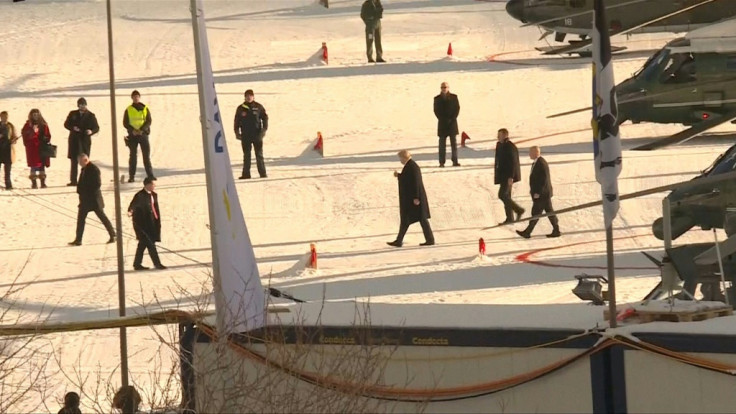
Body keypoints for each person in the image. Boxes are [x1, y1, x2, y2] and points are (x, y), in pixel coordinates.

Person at [387, 150, 434, 247]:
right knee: (412, 219)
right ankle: (399, 240)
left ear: (404, 158)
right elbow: (407, 179)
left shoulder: (412, 166)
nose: (400, 161)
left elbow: (416, 182)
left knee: (418, 219)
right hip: (412, 198)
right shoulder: (410, 166)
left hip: (414, 199)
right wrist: (399, 176)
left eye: (400, 158)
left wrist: (416, 197)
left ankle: (429, 239)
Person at [69, 154, 116, 246]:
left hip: (94, 199)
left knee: (102, 217)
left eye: (80, 162)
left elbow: (97, 184)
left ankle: (113, 234)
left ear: (85, 160)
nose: (79, 164)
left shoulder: (94, 169)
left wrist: (86, 192)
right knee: (81, 219)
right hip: (85, 200)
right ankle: (78, 239)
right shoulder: (84, 169)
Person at [516, 146, 561, 238]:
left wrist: (538, 192)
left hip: (542, 194)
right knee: (548, 212)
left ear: (536, 152)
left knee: (537, 213)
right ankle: (556, 230)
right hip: (543, 194)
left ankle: (528, 232)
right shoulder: (537, 162)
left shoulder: (541, 163)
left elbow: (544, 180)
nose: (529, 154)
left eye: (530, 152)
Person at [128, 177, 166, 270]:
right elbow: (133, 205)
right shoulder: (140, 195)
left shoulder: (154, 195)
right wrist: (131, 211)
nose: (154, 186)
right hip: (143, 225)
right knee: (150, 244)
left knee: (142, 245)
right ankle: (157, 264)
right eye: (153, 184)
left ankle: (137, 264)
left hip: (152, 223)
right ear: (147, 185)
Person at [64, 97, 100, 186]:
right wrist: (73, 128)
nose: (82, 107)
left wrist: (91, 131)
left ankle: (85, 180)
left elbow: (96, 127)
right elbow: (66, 124)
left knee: (84, 161)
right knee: (74, 161)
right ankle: (73, 181)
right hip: (74, 140)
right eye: (80, 105)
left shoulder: (91, 115)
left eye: (83, 105)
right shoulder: (72, 114)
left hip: (85, 140)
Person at [234, 89, 269, 179]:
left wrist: (263, 130)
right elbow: (236, 121)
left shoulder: (258, 107)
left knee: (259, 155)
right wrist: (237, 132)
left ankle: (263, 173)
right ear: (245, 97)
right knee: (246, 155)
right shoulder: (241, 108)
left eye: (250, 95)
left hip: (257, 135)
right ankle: (246, 174)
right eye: (247, 96)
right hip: (245, 135)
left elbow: (265, 118)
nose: (249, 97)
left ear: (253, 96)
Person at [123, 90, 154, 183]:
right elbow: (125, 123)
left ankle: (150, 175)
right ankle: (131, 176)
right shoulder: (128, 109)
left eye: (137, 96)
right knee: (133, 156)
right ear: (132, 98)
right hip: (133, 136)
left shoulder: (145, 108)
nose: (136, 98)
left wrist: (142, 130)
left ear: (139, 97)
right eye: (134, 97)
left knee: (146, 156)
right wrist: (133, 130)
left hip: (143, 135)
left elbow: (149, 121)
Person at [494, 128, 524, 224]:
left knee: (502, 195)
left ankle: (518, 210)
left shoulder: (510, 147)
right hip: (502, 175)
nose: (498, 137)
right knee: (507, 196)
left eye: (500, 135)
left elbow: (513, 163)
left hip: (508, 176)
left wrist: (511, 177)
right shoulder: (500, 145)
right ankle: (510, 218)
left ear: (505, 135)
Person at [21, 108, 51, 189]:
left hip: (41, 148)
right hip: (32, 148)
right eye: (34, 115)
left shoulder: (43, 124)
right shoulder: (28, 125)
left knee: (42, 165)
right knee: (33, 165)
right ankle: (34, 183)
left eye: (37, 115)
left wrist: (45, 138)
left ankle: (42, 182)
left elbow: (48, 135)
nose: (36, 116)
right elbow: (24, 135)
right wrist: (32, 132)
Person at [433, 82, 460, 167]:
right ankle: (441, 162)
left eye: (445, 87)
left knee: (454, 144)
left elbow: (457, 108)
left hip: (452, 123)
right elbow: (436, 110)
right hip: (442, 124)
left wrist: (452, 118)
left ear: (448, 88)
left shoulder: (454, 97)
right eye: (442, 87)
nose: (444, 89)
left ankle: (455, 161)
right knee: (442, 145)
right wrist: (442, 118)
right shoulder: (437, 98)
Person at [0, 111, 19, 190]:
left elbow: (14, 136)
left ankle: (8, 184)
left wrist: (14, 140)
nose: (5, 118)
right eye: (3, 116)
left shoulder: (11, 126)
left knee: (8, 170)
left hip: (8, 150)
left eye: (6, 116)